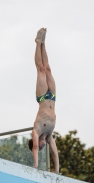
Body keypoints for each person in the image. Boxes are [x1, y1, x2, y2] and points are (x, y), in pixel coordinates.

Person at [28, 28, 59, 173]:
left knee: (40, 69)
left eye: (39, 147)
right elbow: (55, 153)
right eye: (41, 147)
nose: (41, 147)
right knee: (48, 69)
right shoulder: (50, 135)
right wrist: (57, 171)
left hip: (42, 97)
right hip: (52, 96)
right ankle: (43, 43)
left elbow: (34, 147)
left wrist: (35, 166)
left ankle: (37, 43)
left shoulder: (36, 131)